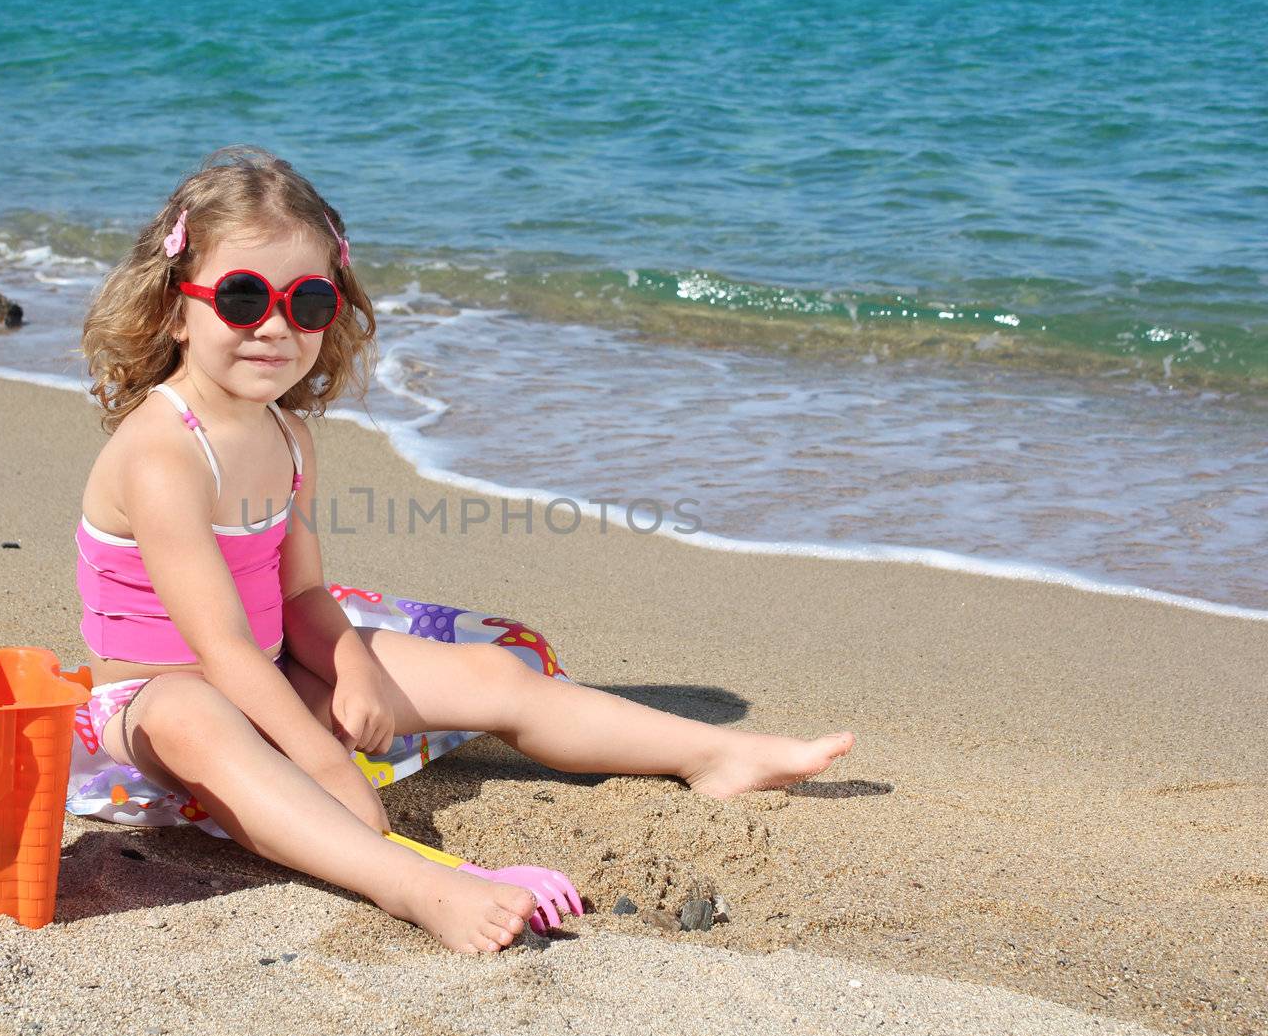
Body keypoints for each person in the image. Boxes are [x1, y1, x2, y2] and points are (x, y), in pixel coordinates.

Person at [71, 145, 854, 953]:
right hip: (152, 711)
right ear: (175, 307)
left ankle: (714, 753)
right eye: (240, 297)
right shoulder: (163, 452)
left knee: (491, 674)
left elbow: (302, 596)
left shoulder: (288, 434)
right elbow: (221, 649)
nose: (274, 325)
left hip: (268, 674)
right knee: (199, 715)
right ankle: (409, 883)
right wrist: (327, 762)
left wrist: (350, 665)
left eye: (307, 301)